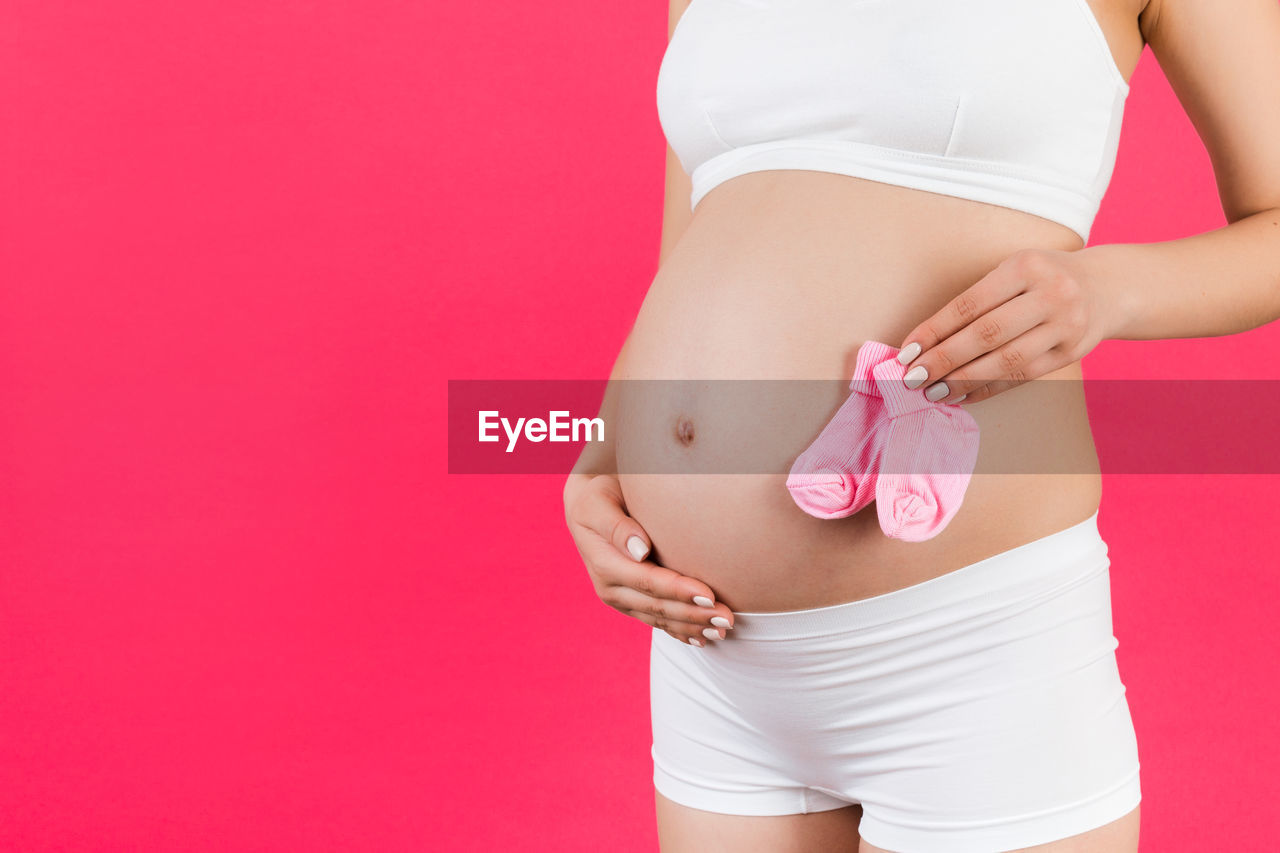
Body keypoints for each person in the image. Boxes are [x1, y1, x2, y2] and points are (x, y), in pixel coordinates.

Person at [563, 0, 1280, 849]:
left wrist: (1111, 289)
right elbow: (691, 242)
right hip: (715, 666)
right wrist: (608, 457)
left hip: (969, 653)